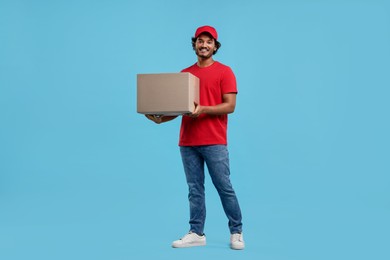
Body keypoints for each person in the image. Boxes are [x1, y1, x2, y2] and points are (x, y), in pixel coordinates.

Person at [146, 25, 244, 250]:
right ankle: (197, 232)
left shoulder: (225, 71)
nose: (204, 45)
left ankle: (236, 231)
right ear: (195, 45)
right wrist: (161, 118)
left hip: (215, 141)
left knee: (224, 186)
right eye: (200, 41)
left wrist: (203, 110)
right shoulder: (185, 75)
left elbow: (230, 106)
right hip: (188, 141)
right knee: (195, 189)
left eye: (209, 41)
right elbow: (179, 108)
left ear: (215, 46)